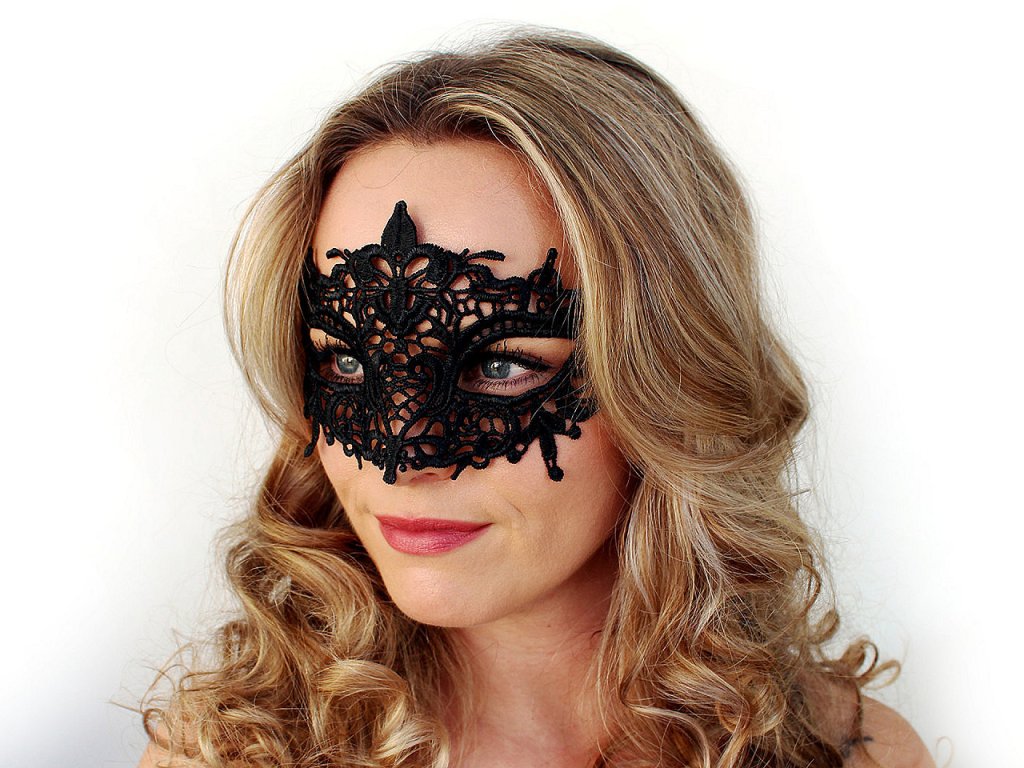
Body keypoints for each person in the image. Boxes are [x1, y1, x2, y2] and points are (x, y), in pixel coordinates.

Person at [139, 28, 933, 768]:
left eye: (499, 364)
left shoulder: (853, 754)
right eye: (348, 361)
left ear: (665, 379)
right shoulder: (226, 753)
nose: (402, 460)